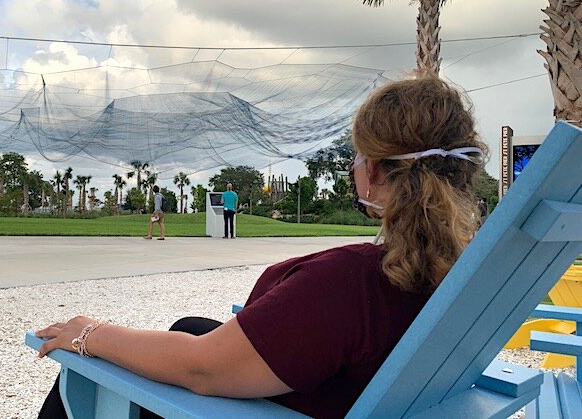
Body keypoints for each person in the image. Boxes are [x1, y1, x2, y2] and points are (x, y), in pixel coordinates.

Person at [35, 76, 487, 418]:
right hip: (343, 388)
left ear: (374, 171)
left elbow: (202, 370)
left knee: (84, 371)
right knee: (189, 324)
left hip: (284, 403)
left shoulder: (352, 281)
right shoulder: (462, 273)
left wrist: (91, 333)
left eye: (357, 155)